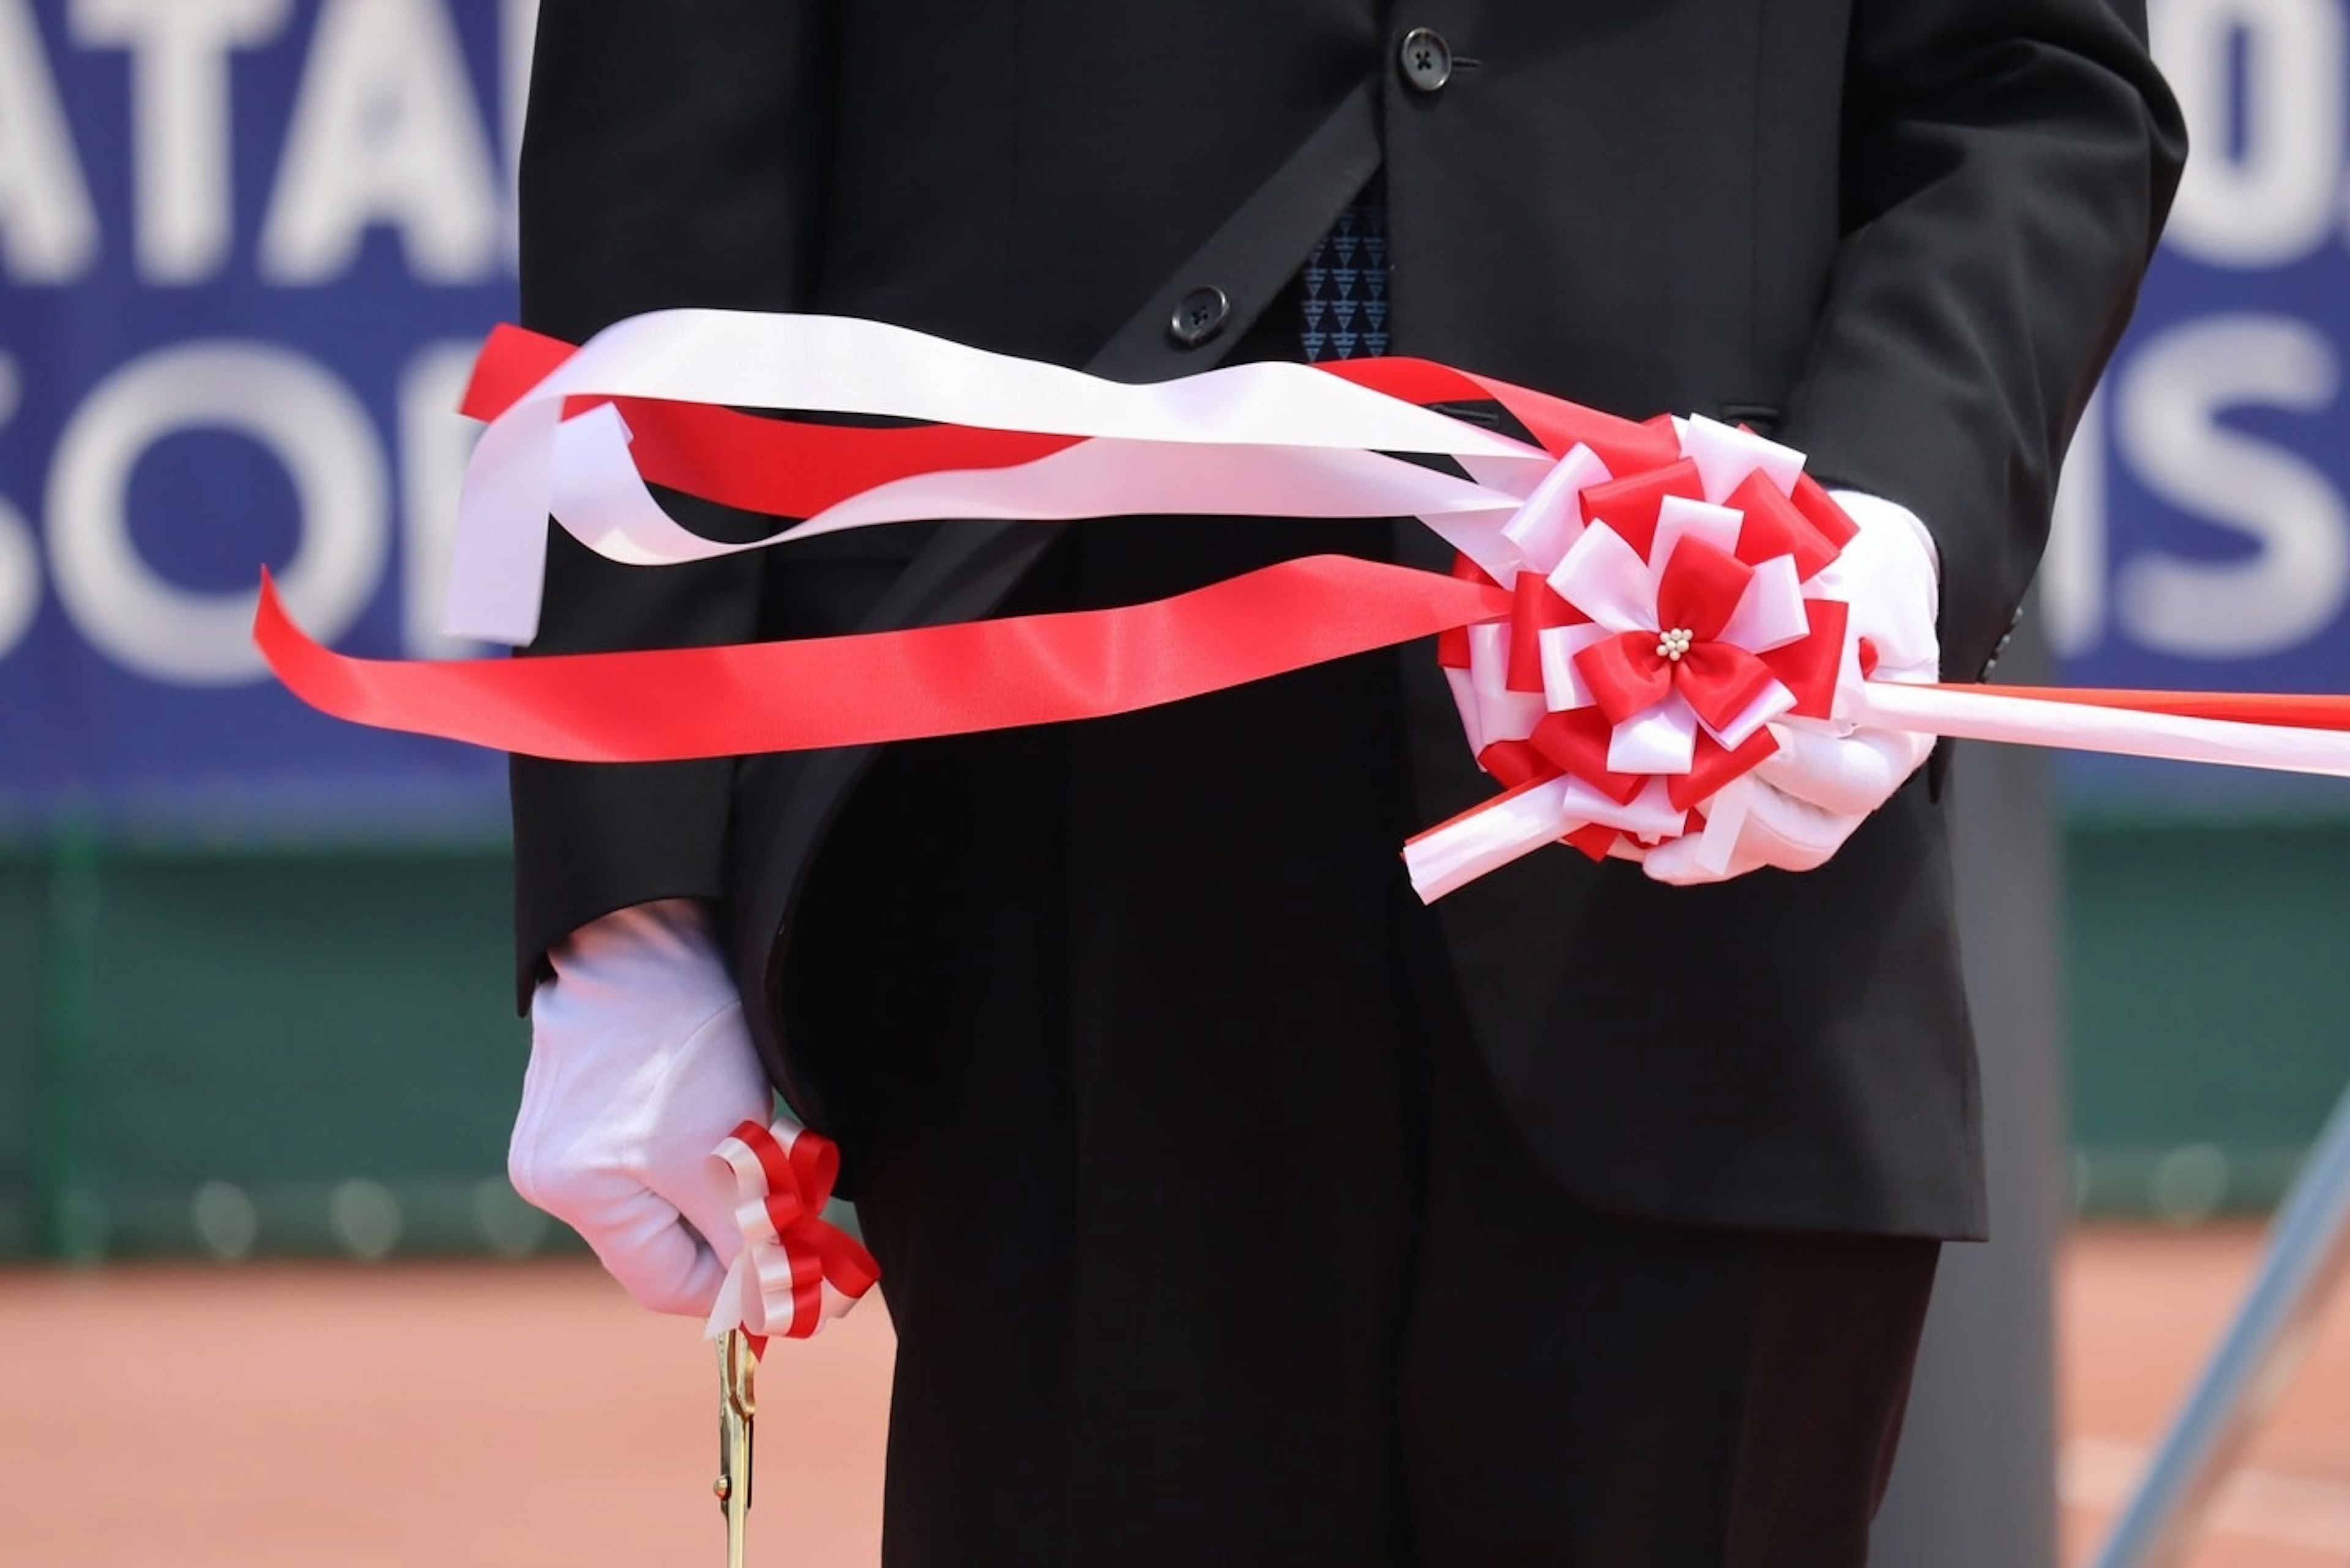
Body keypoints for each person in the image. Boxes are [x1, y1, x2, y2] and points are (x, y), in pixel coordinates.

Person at [498, 5, 2186, 1563]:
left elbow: (2032, 84)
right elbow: (672, 128)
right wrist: (629, 886)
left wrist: (1889, 526)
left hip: (1698, 800)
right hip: (1055, 832)